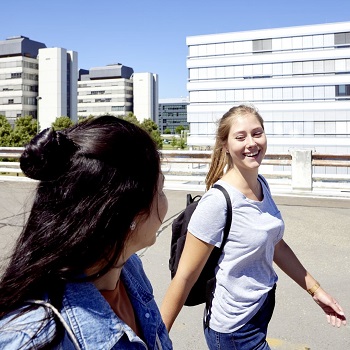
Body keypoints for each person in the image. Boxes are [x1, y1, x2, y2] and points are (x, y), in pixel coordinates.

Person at [160, 104, 346, 350]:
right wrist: (157, 339)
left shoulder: (261, 184)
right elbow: (184, 277)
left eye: (257, 133)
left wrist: (315, 290)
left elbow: (274, 243)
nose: (251, 143)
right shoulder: (217, 202)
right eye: (240, 137)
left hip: (258, 313)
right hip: (235, 331)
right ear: (225, 145)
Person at [0, 115, 172, 349]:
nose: (165, 201)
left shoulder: (128, 268)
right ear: (130, 213)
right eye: (160, 190)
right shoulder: (31, 339)